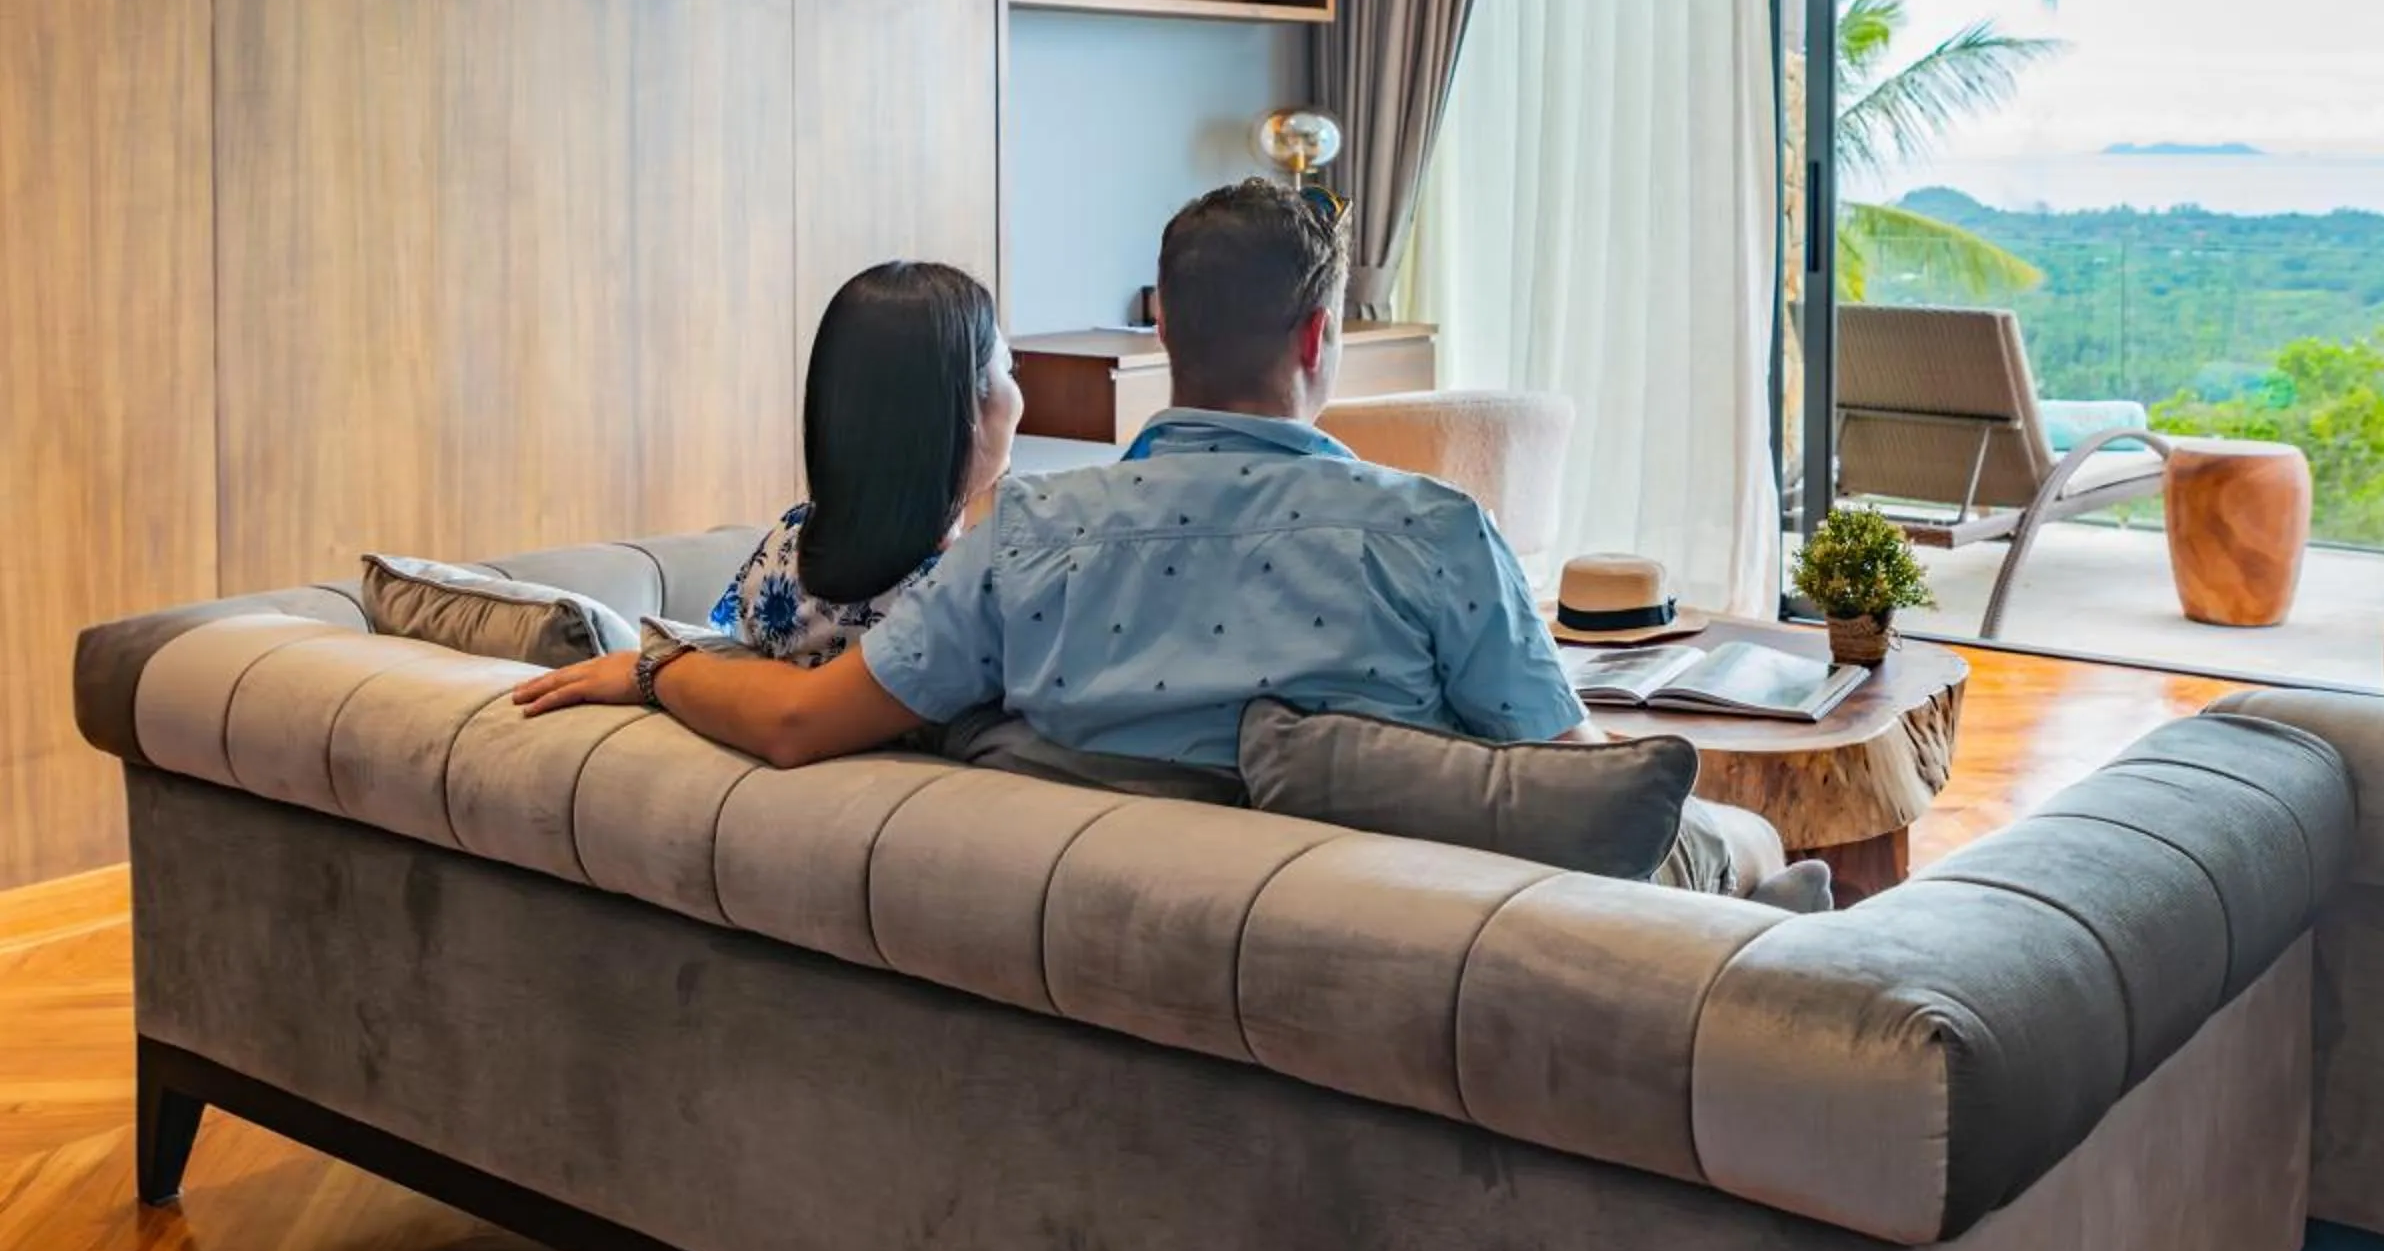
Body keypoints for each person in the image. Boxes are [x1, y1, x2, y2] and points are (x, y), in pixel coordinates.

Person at [514, 181, 1589, 772]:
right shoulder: (1441, 533)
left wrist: (654, 669)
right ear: (1319, 337)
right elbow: (1572, 781)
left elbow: (799, 722)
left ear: (1159, 323)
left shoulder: (1021, 536)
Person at [711, 261, 1021, 665]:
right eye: (1008, 368)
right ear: (961, 409)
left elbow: (718, 649)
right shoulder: (966, 594)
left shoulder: (786, 541)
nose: (1017, 394)